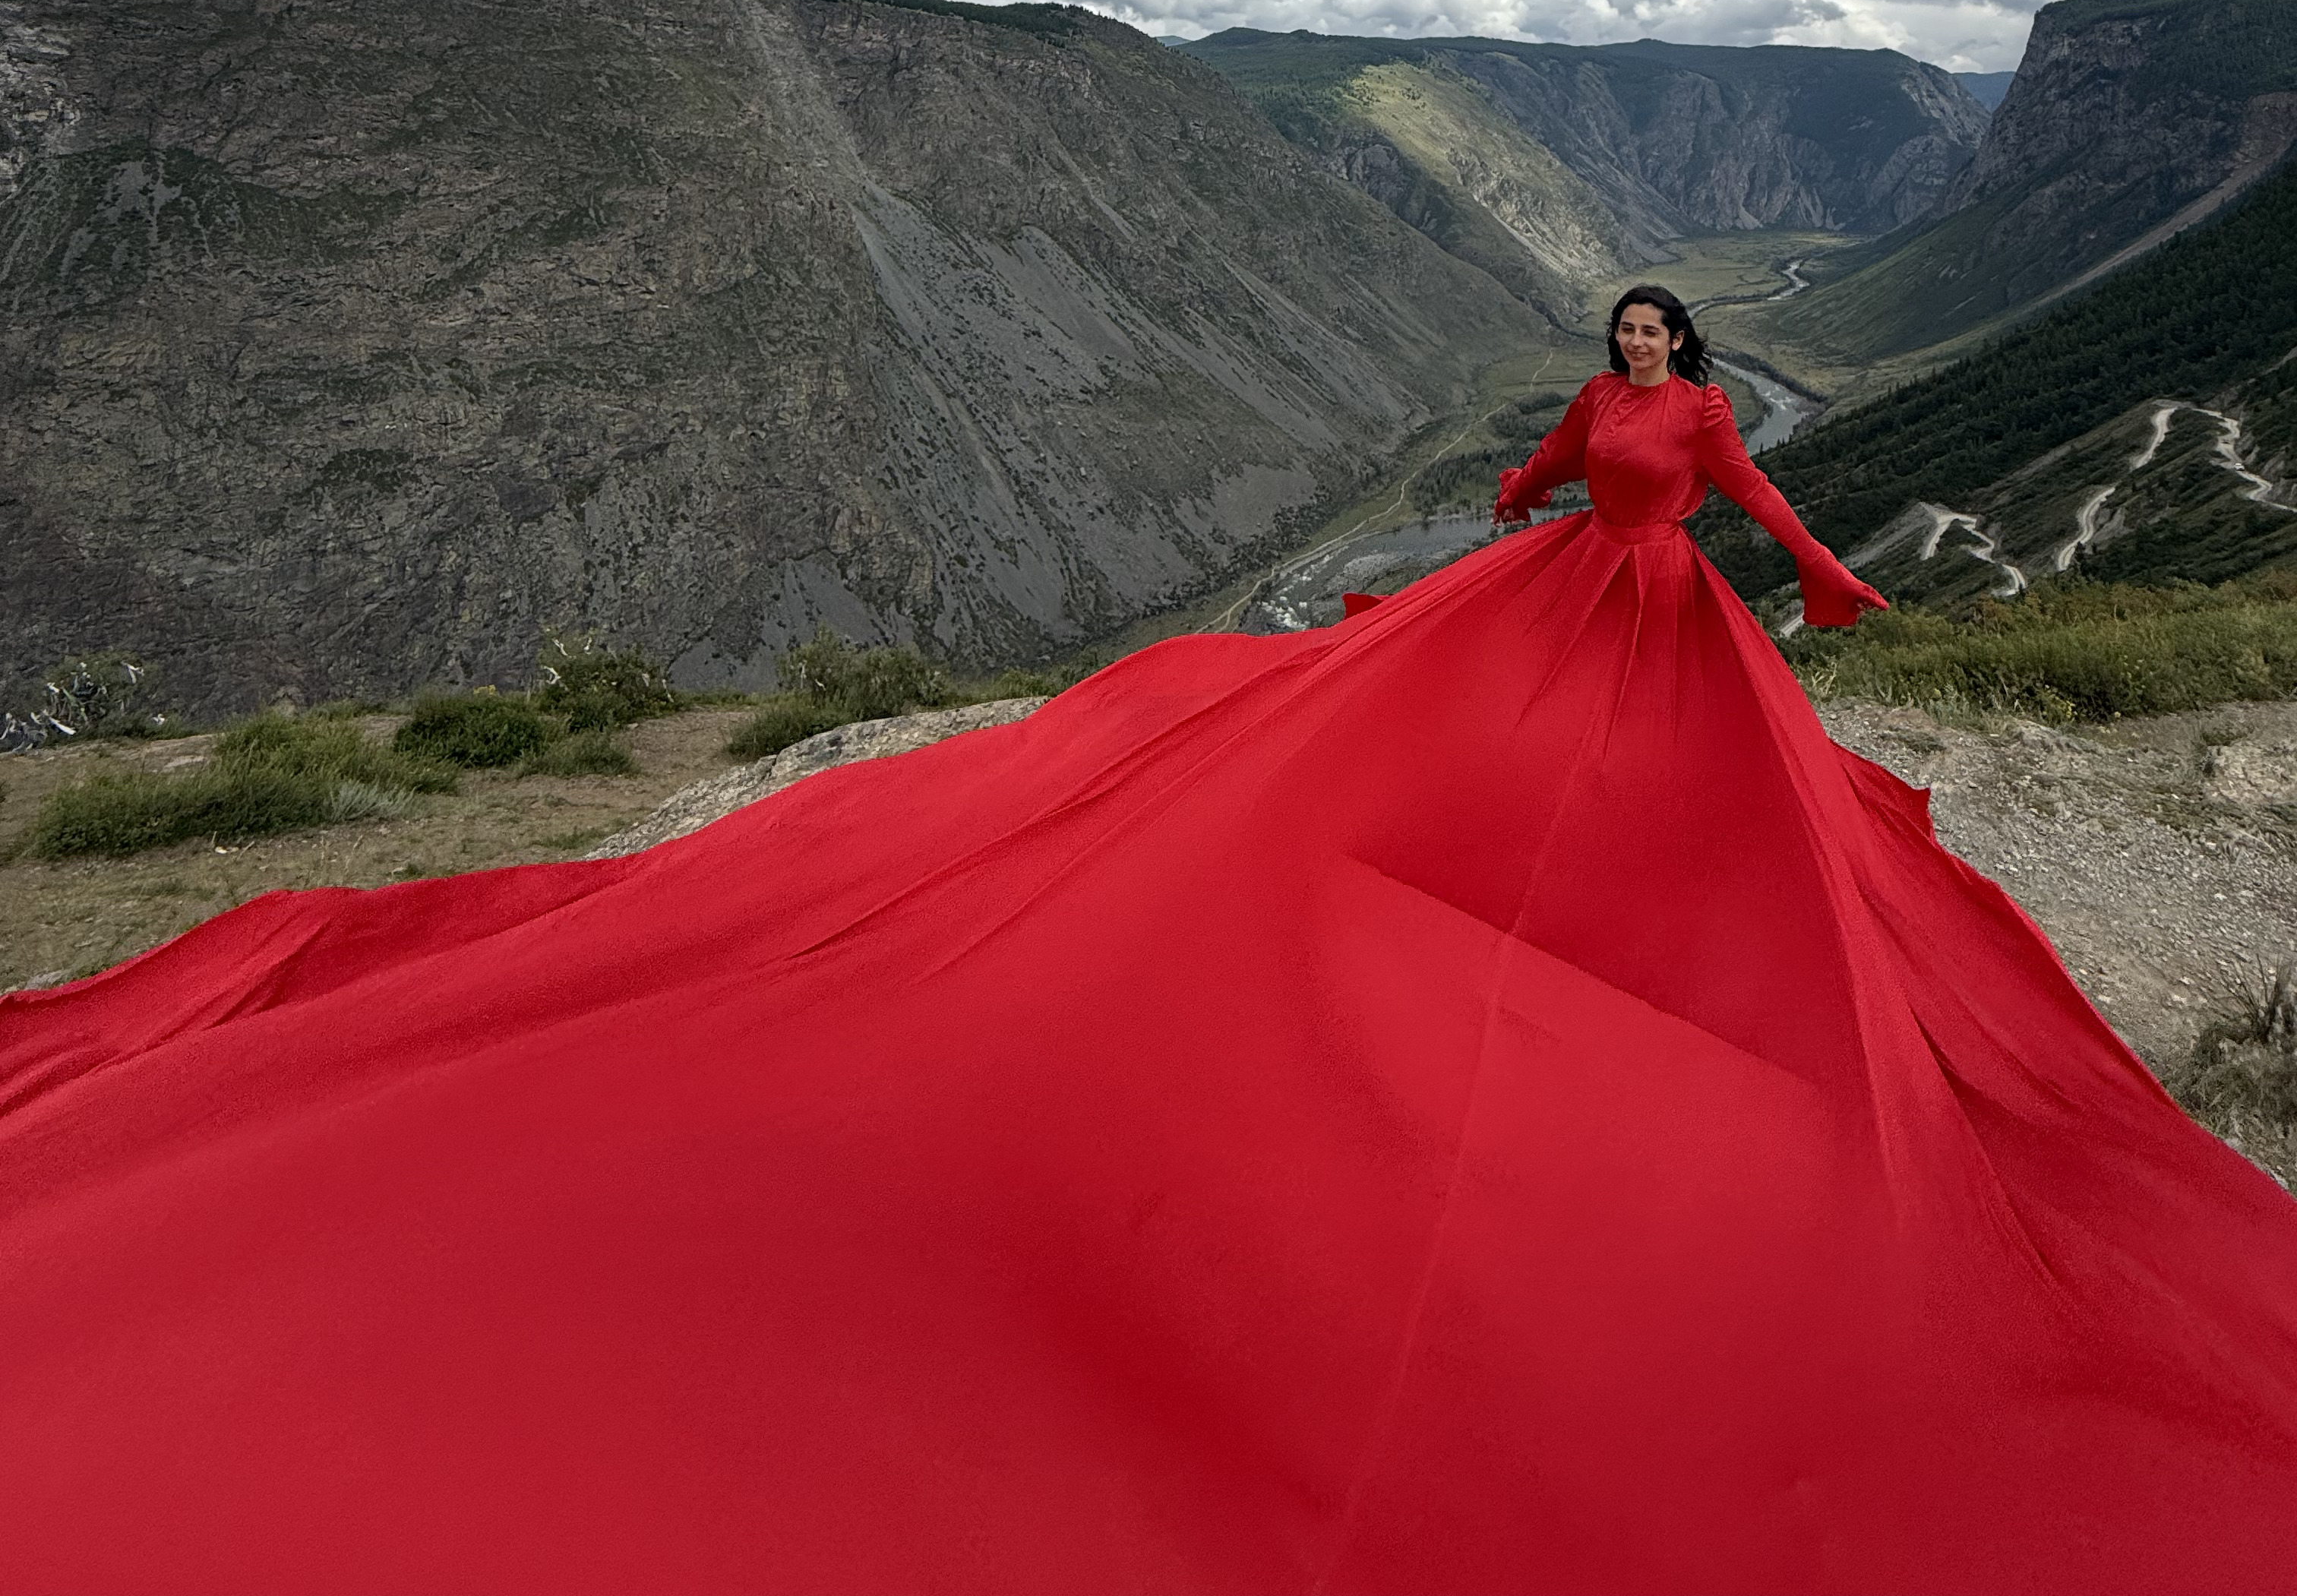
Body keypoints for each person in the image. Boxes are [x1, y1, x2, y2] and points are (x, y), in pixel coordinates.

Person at [4, 292, 2295, 1592]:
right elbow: (1530, 475)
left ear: (1686, 346)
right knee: (1492, 756)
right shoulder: (1592, 412)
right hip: (1562, 585)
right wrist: (1508, 504)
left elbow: (1758, 490)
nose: (1634, 353)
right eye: (1618, 334)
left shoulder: (1699, 423)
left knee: (1673, 799)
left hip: (1670, 611)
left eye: (1650, 333)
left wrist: (1824, 573)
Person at [1486, 280, 1891, 630]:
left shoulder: (1702, 412)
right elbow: (1556, 453)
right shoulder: (1599, 392)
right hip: (1595, 551)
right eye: (1626, 330)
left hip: (1658, 571)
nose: (1636, 342)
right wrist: (1517, 491)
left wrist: (1820, 561)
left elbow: (1754, 490)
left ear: (1675, 340)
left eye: (1650, 332)